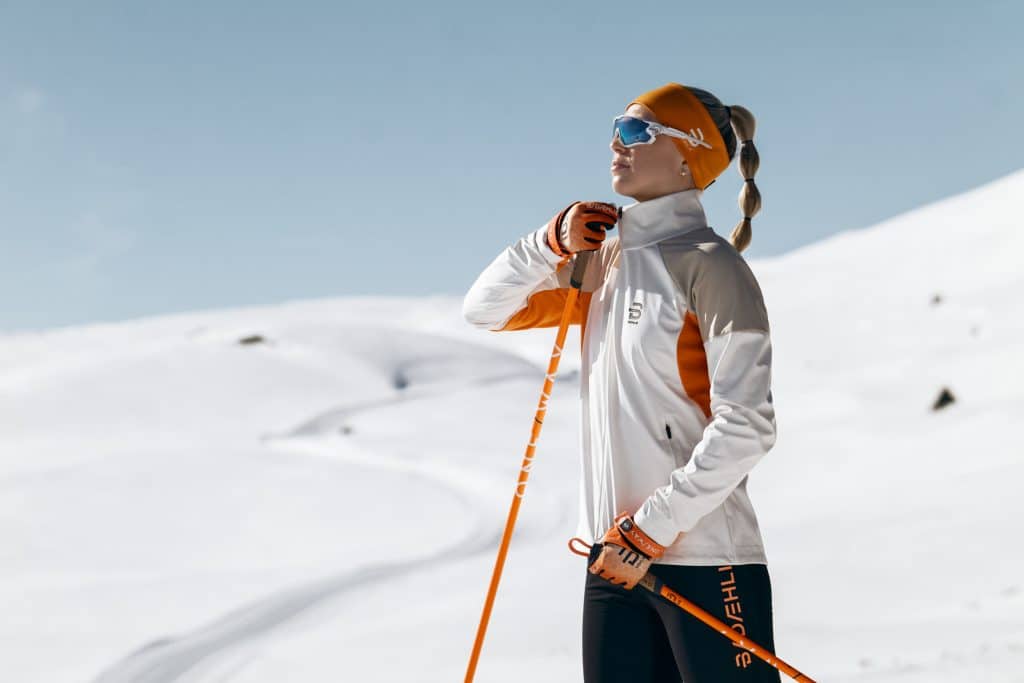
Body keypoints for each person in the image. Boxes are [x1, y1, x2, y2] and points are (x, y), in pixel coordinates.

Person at [462, 82, 780, 682]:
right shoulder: (602, 262)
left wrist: (650, 531)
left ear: (689, 155)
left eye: (637, 131)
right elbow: (484, 310)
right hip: (611, 564)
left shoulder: (710, 265)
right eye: (616, 127)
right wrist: (546, 243)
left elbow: (748, 427)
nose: (617, 143)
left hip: (705, 561)